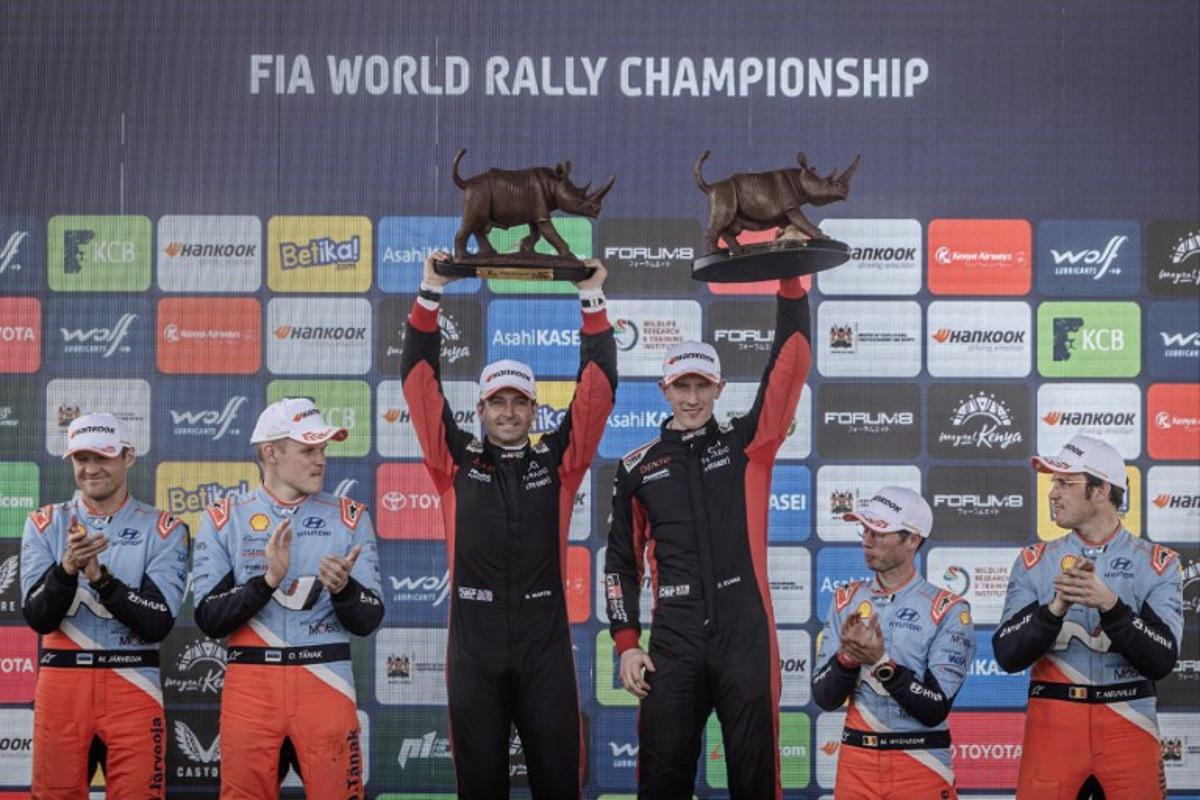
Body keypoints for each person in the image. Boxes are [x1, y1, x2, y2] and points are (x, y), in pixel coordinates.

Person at [400, 251, 616, 799]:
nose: (509, 411)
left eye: (520, 401)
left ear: (535, 409)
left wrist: (592, 302)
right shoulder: (454, 461)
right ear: (481, 407)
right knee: (480, 788)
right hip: (474, 650)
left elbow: (596, 393)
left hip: (544, 649)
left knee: (558, 783)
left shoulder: (559, 463)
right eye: (498, 401)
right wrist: (429, 293)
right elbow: (420, 385)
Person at [604, 275, 809, 799]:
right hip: (673, 640)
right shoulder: (637, 467)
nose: (691, 397)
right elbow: (620, 564)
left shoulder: (749, 443)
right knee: (663, 781)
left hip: (744, 634)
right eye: (681, 386)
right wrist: (627, 644)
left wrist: (790, 283)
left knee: (755, 780)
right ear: (664, 390)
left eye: (701, 386)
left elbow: (787, 371)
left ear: (719, 388)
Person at [192, 398, 384, 798]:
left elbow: (368, 621)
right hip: (251, 683)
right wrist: (268, 581)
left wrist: (345, 590)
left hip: (326, 678)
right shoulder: (225, 518)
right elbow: (210, 619)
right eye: (308, 450)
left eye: (323, 450)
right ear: (271, 453)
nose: (321, 461)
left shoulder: (349, 517)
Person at [994, 434, 1182, 799]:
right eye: (1054, 483)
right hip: (1054, 725)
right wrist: (1054, 610)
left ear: (1100, 492)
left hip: (1129, 722)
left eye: (1066, 483)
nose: (1052, 493)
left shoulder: (1158, 564)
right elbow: (1007, 655)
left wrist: (1111, 606)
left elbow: (1161, 660)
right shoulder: (1033, 562)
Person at [20, 412, 189, 799]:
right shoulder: (46, 523)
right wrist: (66, 570)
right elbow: (38, 618)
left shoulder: (164, 528)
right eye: (82, 459)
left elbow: (156, 624)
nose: (91, 469)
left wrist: (101, 579)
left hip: (133, 684)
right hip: (63, 687)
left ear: (128, 457)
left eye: (103, 457)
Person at [812, 487, 974, 800]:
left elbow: (934, 707)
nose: (866, 541)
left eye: (879, 533)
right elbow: (824, 697)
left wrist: (881, 663)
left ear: (912, 540)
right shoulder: (846, 599)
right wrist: (846, 659)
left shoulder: (948, 609)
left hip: (921, 762)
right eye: (865, 529)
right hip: (856, 763)